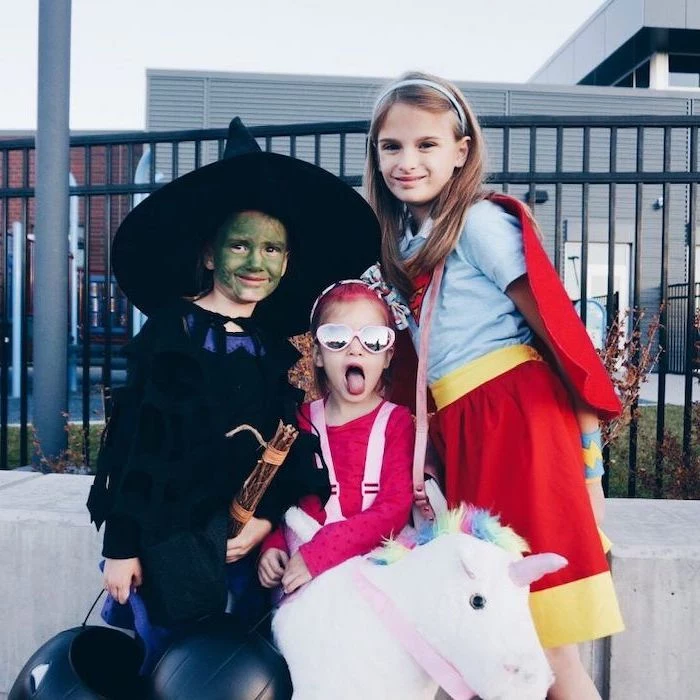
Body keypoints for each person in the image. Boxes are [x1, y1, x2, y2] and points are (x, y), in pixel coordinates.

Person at [363, 72, 624, 700]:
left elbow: (553, 328)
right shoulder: (403, 240)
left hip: (514, 417)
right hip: (466, 425)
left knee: (540, 635)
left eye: (427, 145)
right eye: (391, 146)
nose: (407, 161)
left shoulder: (477, 223)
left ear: (461, 150)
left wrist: (586, 449)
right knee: (493, 635)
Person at [86, 118, 381, 670]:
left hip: (240, 543)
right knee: (168, 659)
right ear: (208, 255)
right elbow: (133, 446)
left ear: (288, 263)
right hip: (167, 541)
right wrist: (121, 547)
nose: (256, 262)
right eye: (240, 244)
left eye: (272, 249)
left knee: (236, 656)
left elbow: (284, 447)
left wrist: (267, 521)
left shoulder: (271, 349)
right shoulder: (174, 332)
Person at [258, 281, 414, 595]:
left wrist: (322, 553)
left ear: (387, 355)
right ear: (316, 354)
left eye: (372, 339)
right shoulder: (300, 420)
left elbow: (395, 508)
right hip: (305, 575)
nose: (355, 348)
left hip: (378, 571)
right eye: (337, 338)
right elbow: (285, 498)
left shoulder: (396, 423)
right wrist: (272, 546)